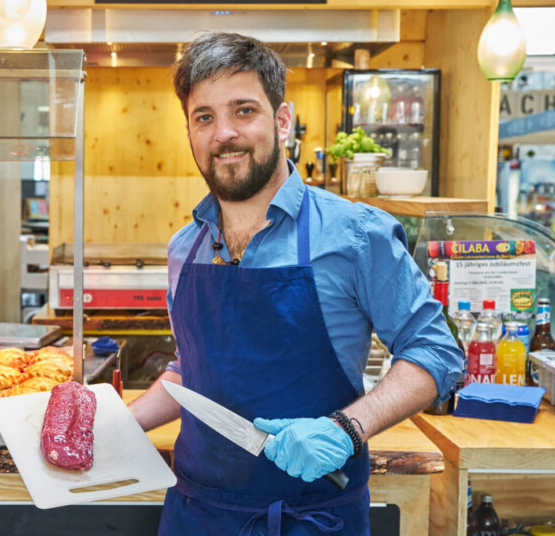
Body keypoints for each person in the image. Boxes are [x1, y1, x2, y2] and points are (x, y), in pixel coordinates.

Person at [128, 31, 462, 535]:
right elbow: (189, 371)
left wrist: (347, 428)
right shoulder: (185, 247)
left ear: (281, 120)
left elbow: (437, 353)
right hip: (195, 516)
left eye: (244, 110)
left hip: (312, 519)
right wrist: (119, 425)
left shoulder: (355, 234)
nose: (224, 133)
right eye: (205, 117)